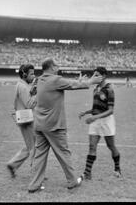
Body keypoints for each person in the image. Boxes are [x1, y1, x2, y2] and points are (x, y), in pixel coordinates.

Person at [28, 58, 103, 193]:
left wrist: (79, 81)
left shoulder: (39, 80)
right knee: (63, 153)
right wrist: (91, 81)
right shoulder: (55, 79)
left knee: (39, 155)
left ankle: (34, 185)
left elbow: (70, 84)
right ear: (51, 67)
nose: (58, 66)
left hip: (39, 124)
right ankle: (72, 181)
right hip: (54, 125)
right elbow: (72, 85)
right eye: (56, 65)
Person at [79, 67, 121, 180]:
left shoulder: (109, 89)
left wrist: (94, 117)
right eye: (94, 75)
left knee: (111, 146)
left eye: (97, 75)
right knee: (92, 146)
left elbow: (110, 110)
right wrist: (86, 112)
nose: (94, 77)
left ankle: (117, 169)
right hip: (95, 120)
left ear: (104, 76)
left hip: (107, 121)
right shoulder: (96, 88)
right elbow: (96, 107)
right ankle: (87, 173)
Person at [6, 64, 37, 178]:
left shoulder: (22, 85)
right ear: (24, 74)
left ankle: (13, 164)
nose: (34, 76)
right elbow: (29, 104)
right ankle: (36, 173)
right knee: (35, 147)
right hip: (27, 120)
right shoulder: (22, 87)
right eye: (31, 74)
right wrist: (36, 95)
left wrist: (33, 92)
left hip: (25, 119)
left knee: (30, 146)